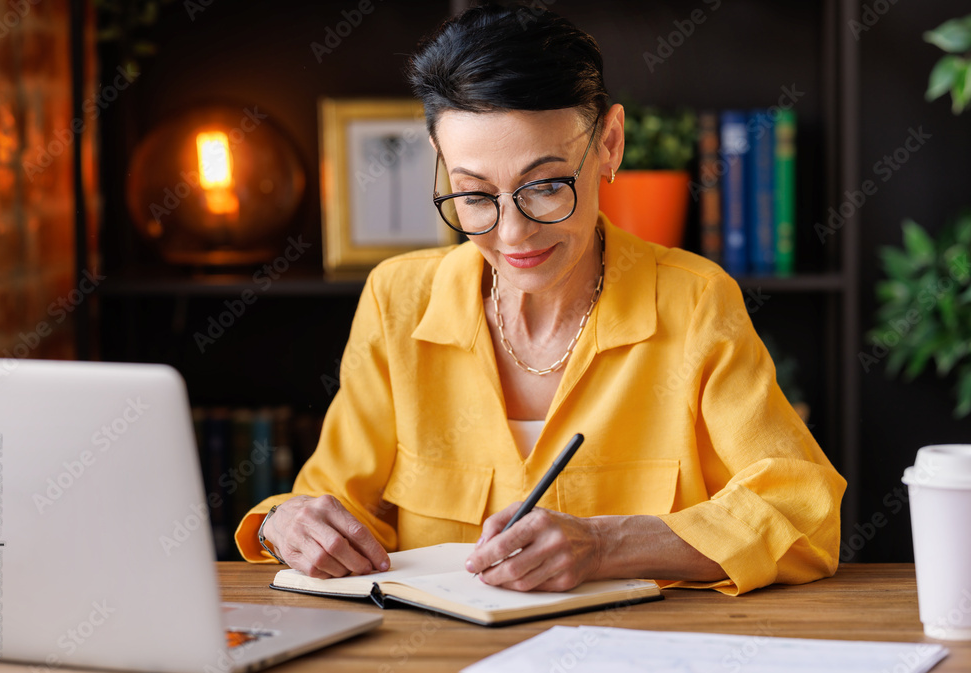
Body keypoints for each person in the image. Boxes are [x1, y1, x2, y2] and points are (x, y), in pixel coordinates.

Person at [235, 3, 845, 596]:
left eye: (546, 187)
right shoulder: (399, 299)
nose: (511, 234)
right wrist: (282, 523)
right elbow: (334, 505)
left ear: (609, 144)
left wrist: (607, 546)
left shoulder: (694, 303)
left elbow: (803, 515)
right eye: (474, 195)